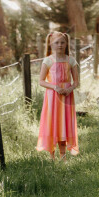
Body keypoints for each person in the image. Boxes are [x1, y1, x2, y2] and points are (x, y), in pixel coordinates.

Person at [36, 31, 80, 159]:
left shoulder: (71, 60)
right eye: (56, 42)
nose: (60, 45)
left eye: (62, 42)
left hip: (67, 97)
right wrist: (55, 87)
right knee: (53, 123)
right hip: (52, 97)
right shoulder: (48, 60)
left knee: (64, 124)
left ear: (66, 44)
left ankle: (63, 155)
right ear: (51, 44)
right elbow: (41, 81)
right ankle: (51, 155)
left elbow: (76, 82)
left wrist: (70, 89)